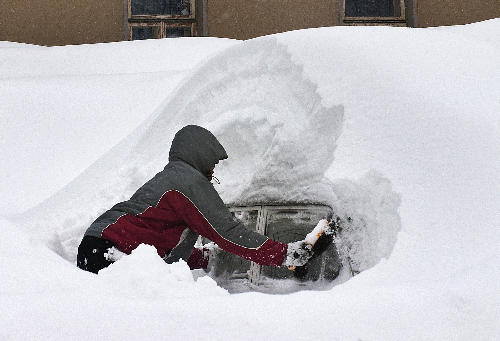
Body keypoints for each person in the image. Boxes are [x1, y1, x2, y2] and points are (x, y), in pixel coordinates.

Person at [77, 125, 317, 274]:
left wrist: (204, 258)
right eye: (212, 162)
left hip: (98, 246)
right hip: (110, 249)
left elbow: (158, 237)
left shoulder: (171, 179)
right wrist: (284, 254)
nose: (213, 169)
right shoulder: (188, 182)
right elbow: (228, 232)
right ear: (200, 154)